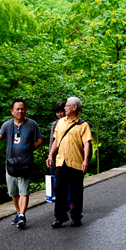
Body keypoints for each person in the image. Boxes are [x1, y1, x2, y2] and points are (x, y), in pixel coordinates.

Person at [0, 99, 44, 229]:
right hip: (11, 164)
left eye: (22, 108)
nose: (20, 111)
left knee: (24, 190)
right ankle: (19, 213)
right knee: (13, 192)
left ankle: (22, 215)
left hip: (26, 163)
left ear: (26, 110)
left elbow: (40, 140)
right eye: (17, 109)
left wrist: (29, 149)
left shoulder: (32, 124)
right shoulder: (7, 125)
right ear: (12, 111)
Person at [46, 96, 93, 228]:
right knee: (58, 189)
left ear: (75, 108)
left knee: (76, 190)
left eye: (67, 106)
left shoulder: (83, 125)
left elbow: (87, 144)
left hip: (76, 162)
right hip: (61, 161)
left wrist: (85, 160)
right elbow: (56, 140)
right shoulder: (60, 123)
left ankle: (76, 216)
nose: (64, 108)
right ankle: (60, 217)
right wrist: (50, 155)